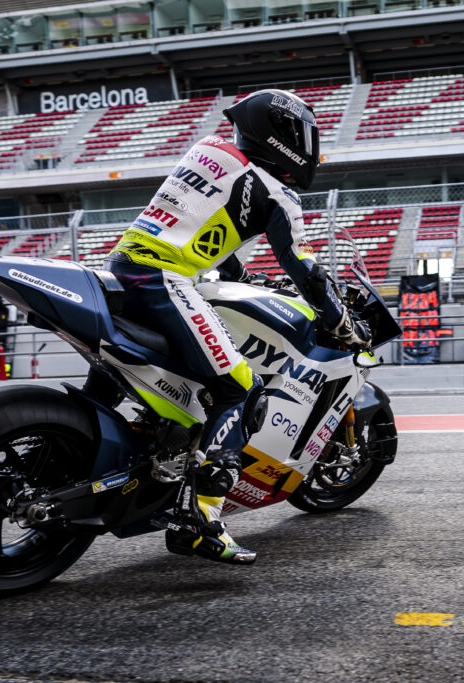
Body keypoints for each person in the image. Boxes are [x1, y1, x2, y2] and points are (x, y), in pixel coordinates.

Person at [103, 89, 370, 565]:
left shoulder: (207, 151)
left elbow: (210, 236)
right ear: (286, 137)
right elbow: (307, 271)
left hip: (122, 269)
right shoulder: (277, 192)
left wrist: (246, 278)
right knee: (238, 386)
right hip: (164, 278)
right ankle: (202, 520)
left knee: (123, 373)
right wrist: (342, 323)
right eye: (306, 138)